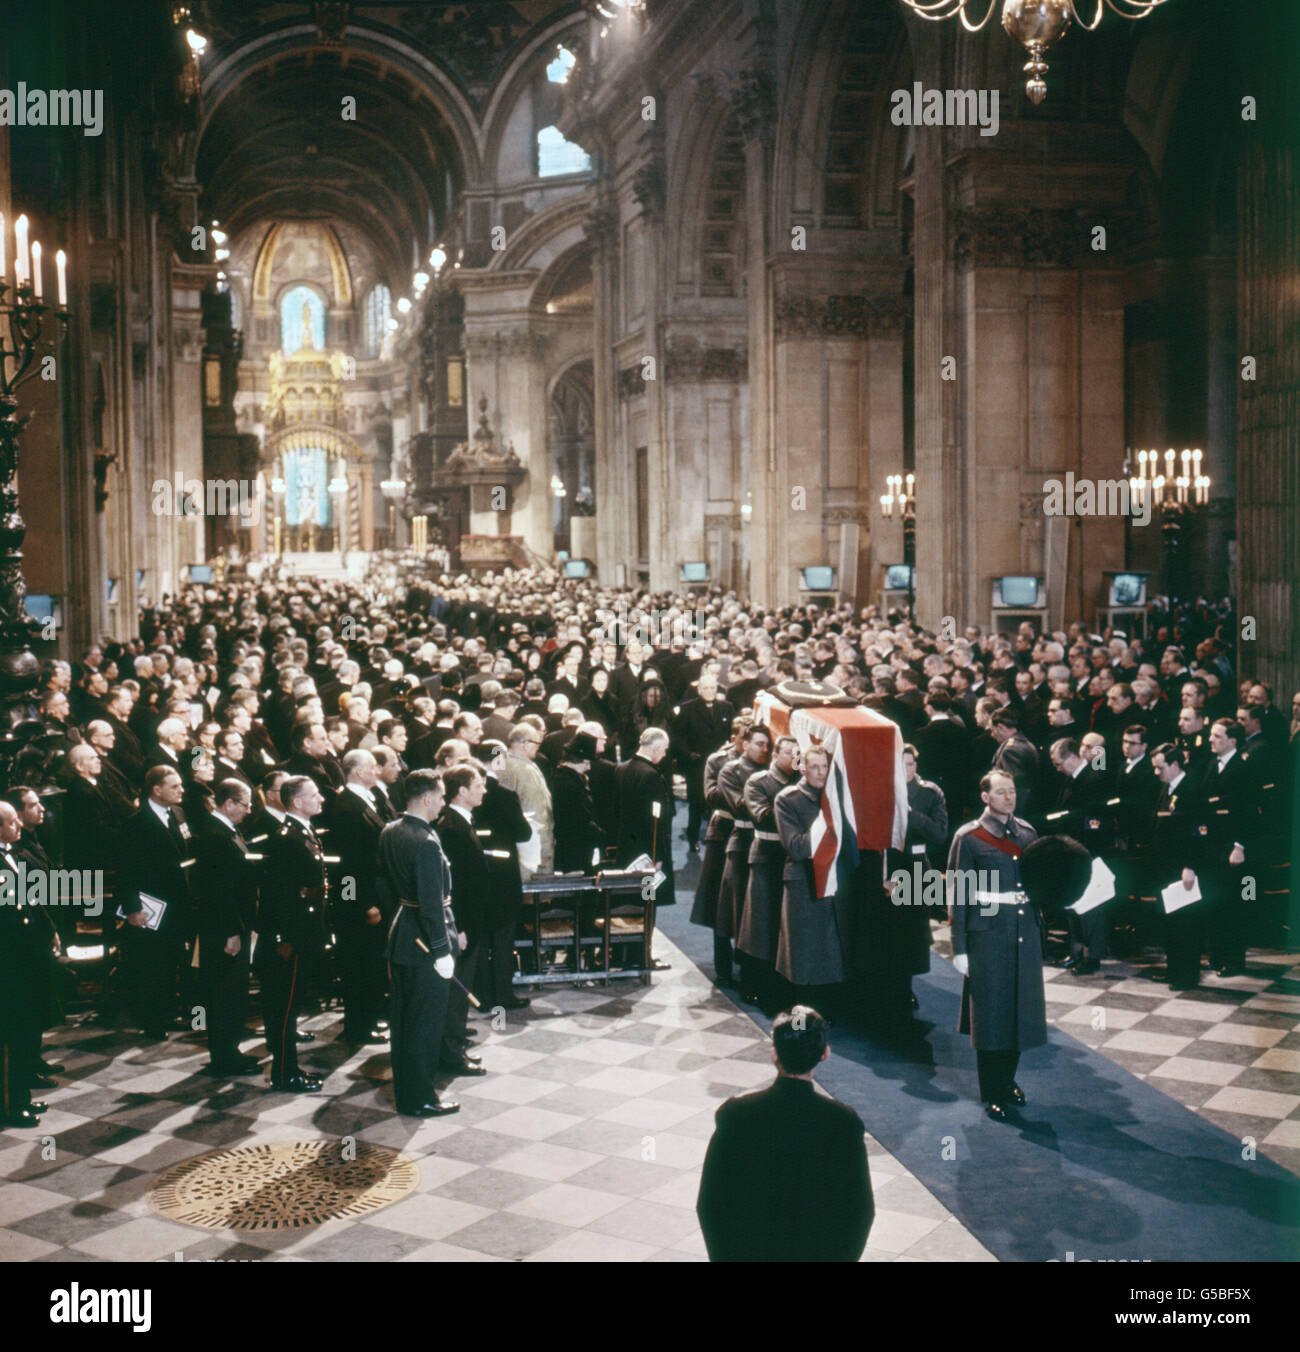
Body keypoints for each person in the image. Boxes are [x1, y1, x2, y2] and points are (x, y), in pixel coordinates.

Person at [696, 1006, 873, 1263]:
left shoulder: (737, 1115)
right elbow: (859, 1211)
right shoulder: (841, 1122)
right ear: (825, 1054)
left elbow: (711, 1203)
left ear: (774, 1054)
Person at [948, 769, 1044, 1122]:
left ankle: (1007, 1081)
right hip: (987, 934)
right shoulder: (970, 837)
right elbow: (958, 895)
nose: (1009, 797)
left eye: (1012, 791)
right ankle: (992, 1091)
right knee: (991, 1017)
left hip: (1023, 931)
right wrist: (959, 947)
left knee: (1019, 1011)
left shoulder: (1028, 833)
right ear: (985, 797)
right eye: (1001, 792)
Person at [376, 769, 462, 1117]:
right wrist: (442, 950)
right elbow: (431, 903)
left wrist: (398, 918)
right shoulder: (426, 841)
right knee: (425, 1025)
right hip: (427, 943)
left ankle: (407, 1093)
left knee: (404, 1021)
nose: (443, 803)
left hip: (401, 935)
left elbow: (382, 884)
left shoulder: (391, 830)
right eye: (441, 797)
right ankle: (421, 1098)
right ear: (427, 798)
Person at [256, 775, 330, 1092]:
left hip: (305, 928)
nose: (321, 800)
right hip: (292, 934)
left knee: (291, 1004)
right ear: (297, 802)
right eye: (315, 795)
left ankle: (289, 1068)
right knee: (285, 1006)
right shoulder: (287, 839)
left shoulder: (304, 833)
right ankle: (285, 1074)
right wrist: (281, 939)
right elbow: (277, 894)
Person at [116, 765, 193, 1040]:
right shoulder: (135, 823)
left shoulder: (179, 814)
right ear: (156, 790)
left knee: (174, 961)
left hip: (178, 903)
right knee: (151, 965)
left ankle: (169, 1012)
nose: (181, 790)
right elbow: (126, 871)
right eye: (175, 786)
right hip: (151, 905)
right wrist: (133, 909)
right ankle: (152, 1020)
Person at [191, 779, 262, 1076]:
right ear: (229, 803)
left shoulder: (224, 831)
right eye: (245, 805)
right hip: (224, 929)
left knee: (233, 993)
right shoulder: (213, 835)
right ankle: (224, 1057)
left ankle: (230, 1051)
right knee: (224, 994)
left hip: (235, 925)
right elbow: (218, 890)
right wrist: (231, 931)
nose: (248, 812)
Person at [774, 747, 852, 998]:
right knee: (803, 951)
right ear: (803, 768)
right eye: (815, 767)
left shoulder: (838, 797)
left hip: (835, 879)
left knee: (831, 947)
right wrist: (825, 825)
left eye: (825, 766)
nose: (820, 772)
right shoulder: (788, 799)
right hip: (803, 880)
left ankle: (828, 1006)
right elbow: (796, 847)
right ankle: (802, 1012)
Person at [327, 749, 391, 1044]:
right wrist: (362, 904)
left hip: (372, 894)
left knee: (371, 963)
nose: (376, 770)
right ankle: (358, 1025)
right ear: (357, 771)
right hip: (358, 901)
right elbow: (348, 866)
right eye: (371, 766)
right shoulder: (346, 807)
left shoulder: (367, 799)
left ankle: (369, 1017)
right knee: (358, 964)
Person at [434, 764, 490, 1077]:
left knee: (460, 991)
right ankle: (451, 1055)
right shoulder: (451, 828)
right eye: (479, 785)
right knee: (456, 993)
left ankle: (455, 1047)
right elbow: (454, 885)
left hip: (470, 922)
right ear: (463, 791)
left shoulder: (461, 822)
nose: (484, 790)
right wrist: (461, 928)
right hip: (463, 926)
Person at [735, 735, 798, 1007]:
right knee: (758, 924)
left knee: (782, 926)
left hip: (788, 857)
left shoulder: (798, 785)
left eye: (798, 755)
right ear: (776, 754)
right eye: (789, 753)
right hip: (765, 855)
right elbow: (761, 814)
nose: (794, 760)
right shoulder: (759, 782)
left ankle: (778, 983)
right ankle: (752, 983)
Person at [473, 739, 531, 1011]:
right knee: (503, 937)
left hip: (476, 874)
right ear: (497, 760)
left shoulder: (464, 790)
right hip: (504, 876)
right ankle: (502, 995)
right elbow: (523, 833)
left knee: (481, 937)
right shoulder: (505, 795)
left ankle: (481, 995)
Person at [689, 719, 748, 984]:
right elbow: (710, 795)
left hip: (747, 832)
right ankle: (722, 965)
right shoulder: (718, 761)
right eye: (743, 738)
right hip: (722, 830)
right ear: (734, 737)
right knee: (717, 902)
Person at [714, 724, 772, 987]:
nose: (765, 749)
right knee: (733, 912)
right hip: (741, 842)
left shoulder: (771, 771)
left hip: (765, 845)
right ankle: (729, 971)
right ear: (745, 744)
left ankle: (754, 972)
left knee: (757, 916)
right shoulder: (731, 771)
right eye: (759, 743)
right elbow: (740, 805)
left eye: (767, 745)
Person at [615, 727, 676, 908]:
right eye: (664, 750)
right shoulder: (651, 776)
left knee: (627, 901)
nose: (665, 755)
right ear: (657, 748)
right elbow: (656, 822)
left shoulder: (620, 769)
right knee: (647, 900)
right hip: (647, 854)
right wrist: (658, 857)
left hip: (625, 847)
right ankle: (648, 932)